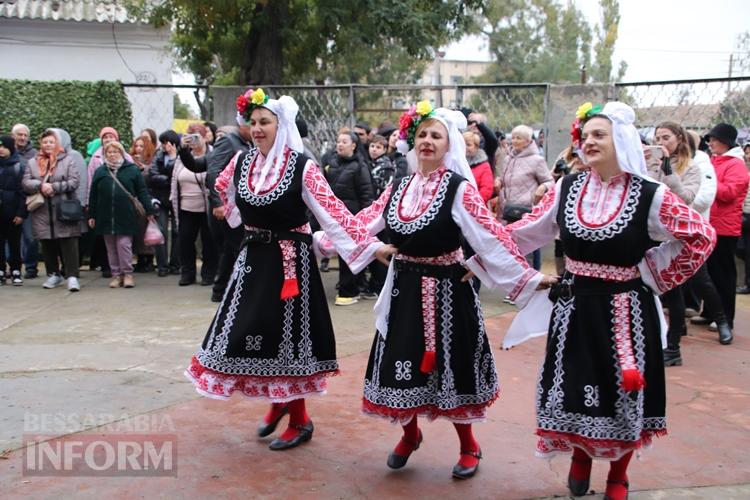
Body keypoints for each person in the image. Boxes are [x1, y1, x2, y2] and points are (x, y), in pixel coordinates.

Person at [318, 101, 555, 479]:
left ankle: (468, 445)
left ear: (449, 145)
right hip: (404, 292)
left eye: (436, 135)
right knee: (401, 366)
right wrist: (325, 242)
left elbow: (489, 236)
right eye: (422, 134)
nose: (427, 141)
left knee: (453, 369)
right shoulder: (399, 186)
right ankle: (410, 435)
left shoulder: (458, 189)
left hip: (447, 293)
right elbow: (365, 222)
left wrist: (526, 277)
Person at [505, 102, 715, 500]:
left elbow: (700, 236)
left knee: (623, 388)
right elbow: (527, 231)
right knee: (577, 385)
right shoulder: (567, 188)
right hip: (576, 307)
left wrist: (652, 273)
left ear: (621, 140)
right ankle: (581, 455)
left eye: (599, 135)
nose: (590, 142)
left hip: (625, 310)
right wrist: (481, 254)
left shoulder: (650, 195)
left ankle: (619, 473)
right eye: (586, 136)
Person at [185, 88, 379, 451]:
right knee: (250, 334)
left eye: (265, 123)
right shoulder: (243, 162)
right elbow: (223, 186)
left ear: (281, 125)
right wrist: (235, 215)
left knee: (287, 343)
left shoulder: (301, 166)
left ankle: (300, 419)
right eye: (253, 122)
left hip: (290, 263)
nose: (257, 129)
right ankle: (279, 403)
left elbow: (332, 212)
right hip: (254, 260)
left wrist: (369, 244)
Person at [647, 122, 702, 366]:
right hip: (648, 233)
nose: (661, 141)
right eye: (657, 137)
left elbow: (686, 198)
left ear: (679, 139)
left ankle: (673, 346)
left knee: (673, 292)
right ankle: (652, 340)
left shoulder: (691, 168)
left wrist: (669, 172)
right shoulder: (651, 163)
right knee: (648, 290)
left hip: (672, 237)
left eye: (666, 137)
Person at [179, 123, 251, 302]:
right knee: (239, 248)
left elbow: (198, 165)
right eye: (254, 123)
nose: (257, 129)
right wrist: (218, 202)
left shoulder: (246, 144)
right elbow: (211, 170)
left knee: (229, 249)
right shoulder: (228, 142)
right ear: (243, 124)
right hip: (226, 208)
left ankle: (219, 291)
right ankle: (242, 292)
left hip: (236, 206)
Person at [699, 123, 749, 340]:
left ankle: (725, 316)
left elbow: (729, 193)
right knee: (708, 272)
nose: (710, 143)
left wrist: (708, 183)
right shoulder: (715, 161)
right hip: (711, 223)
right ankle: (709, 311)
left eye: (714, 139)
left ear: (725, 142)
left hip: (725, 227)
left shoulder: (736, 165)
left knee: (723, 274)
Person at [88, 142, 156, 288]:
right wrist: (91, 215)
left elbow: (142, 191)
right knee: (111, 247)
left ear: (122, 153)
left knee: (124, 244)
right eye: (109, 152)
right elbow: (93, 194)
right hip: (105, 215)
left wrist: (149, 210)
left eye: (115, 151)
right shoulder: (100, 171)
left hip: (126, 214)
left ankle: (127, 274)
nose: (112, 154)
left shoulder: (132, 170)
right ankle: (116, 275)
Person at [22, 129, 82, 292]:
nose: (48, 145)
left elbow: (74, 181)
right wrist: (40, 185)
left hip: (64, 207)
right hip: (42, 210)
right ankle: (53, 274)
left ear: (57, 143)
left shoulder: (67, 160)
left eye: (51, 142)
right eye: (45, 142)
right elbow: (26, 181)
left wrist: (54, 187)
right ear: (41, 144)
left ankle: (72, 276)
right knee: (47, 242)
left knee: (69, 242)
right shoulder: (32, 162)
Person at [323, 130, 375, 305]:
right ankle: (354, 285)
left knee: (348, 253)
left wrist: (365, 221)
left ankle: (348, 291)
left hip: (353, 217)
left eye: (344, 141)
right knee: (342, 252)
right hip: (334, 217)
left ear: (354, 145)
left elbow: (367, 195)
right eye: (338, 141)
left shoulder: (360, 166)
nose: (340, 144)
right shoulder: (331, 164)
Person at [498, 124, 554, 271]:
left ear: (529, 141)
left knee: (529, 247)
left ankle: (532, 280)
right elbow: (506, 179)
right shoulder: (508, 158)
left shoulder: (537, 160)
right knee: (511, 248)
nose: (515, 141)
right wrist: (499, 181)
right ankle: (516, 282)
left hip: (526, 210)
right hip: (509, 209)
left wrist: (542, 188)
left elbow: (549, 181)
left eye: (519, 138)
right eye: (513, 137)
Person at [170, 124, 217, 286]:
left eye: (197, 136)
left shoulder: (213, 155)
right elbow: (175, 181)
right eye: (191, 137)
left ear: (205, 137)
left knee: (209, 241)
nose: (194, 141)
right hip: (186, 207)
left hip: (207, 207)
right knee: (185, 241)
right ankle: (187, 273)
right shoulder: (182, 157)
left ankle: (208, 274)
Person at [149, 130, 181, 276]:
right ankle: (162, 265)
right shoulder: (158, 156)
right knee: (161, 231)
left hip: (178, 198)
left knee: (177, 231)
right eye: (162, 143)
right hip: (161, 198)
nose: (163, 146)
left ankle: (175, 264)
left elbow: (180, 175)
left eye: (165, 142)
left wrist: (174, 159)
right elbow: (153, 175)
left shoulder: (181, 156)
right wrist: (168, 179)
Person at [12, 124, 39, 279]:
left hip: (29, 200)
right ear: (13, 135)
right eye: (19, 134)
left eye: (25, 135)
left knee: (30, 237)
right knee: (11, 237)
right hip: (12, 202)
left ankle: (31, 267)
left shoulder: (35, 154)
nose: (22, 138)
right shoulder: (7, 152)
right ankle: (13, 267)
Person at [0, 135, 26, 286]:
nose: (1, 150)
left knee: (15, 242)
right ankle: (1, 270)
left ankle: (16, 269)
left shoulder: (18, 166)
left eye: (4, 147)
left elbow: (22, 193)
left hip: (13, 212)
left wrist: (21, 213)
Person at [130, 135, 157, 273]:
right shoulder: (130, 162)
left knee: (148, 230)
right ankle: (140, 259)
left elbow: (153, 177)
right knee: (138, 232)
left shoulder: (152, 162)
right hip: (134, 201)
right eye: (137, 146)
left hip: (148, 200)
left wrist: (145, 168)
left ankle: (149, 260)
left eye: (142, 146)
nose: (138, 149)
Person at [463, 130, 494, 203]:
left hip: (474, 205)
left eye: (468, 144)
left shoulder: (484, 166)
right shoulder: (456, 162)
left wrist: (473, 203)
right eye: (463, 144)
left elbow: (487, 189)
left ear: (476, 147)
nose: (465, 147)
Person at [737, 142, 750, 294]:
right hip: (743, 213)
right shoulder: (743, 169)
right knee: (742, 249)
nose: (747, 156)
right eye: (746, 153)